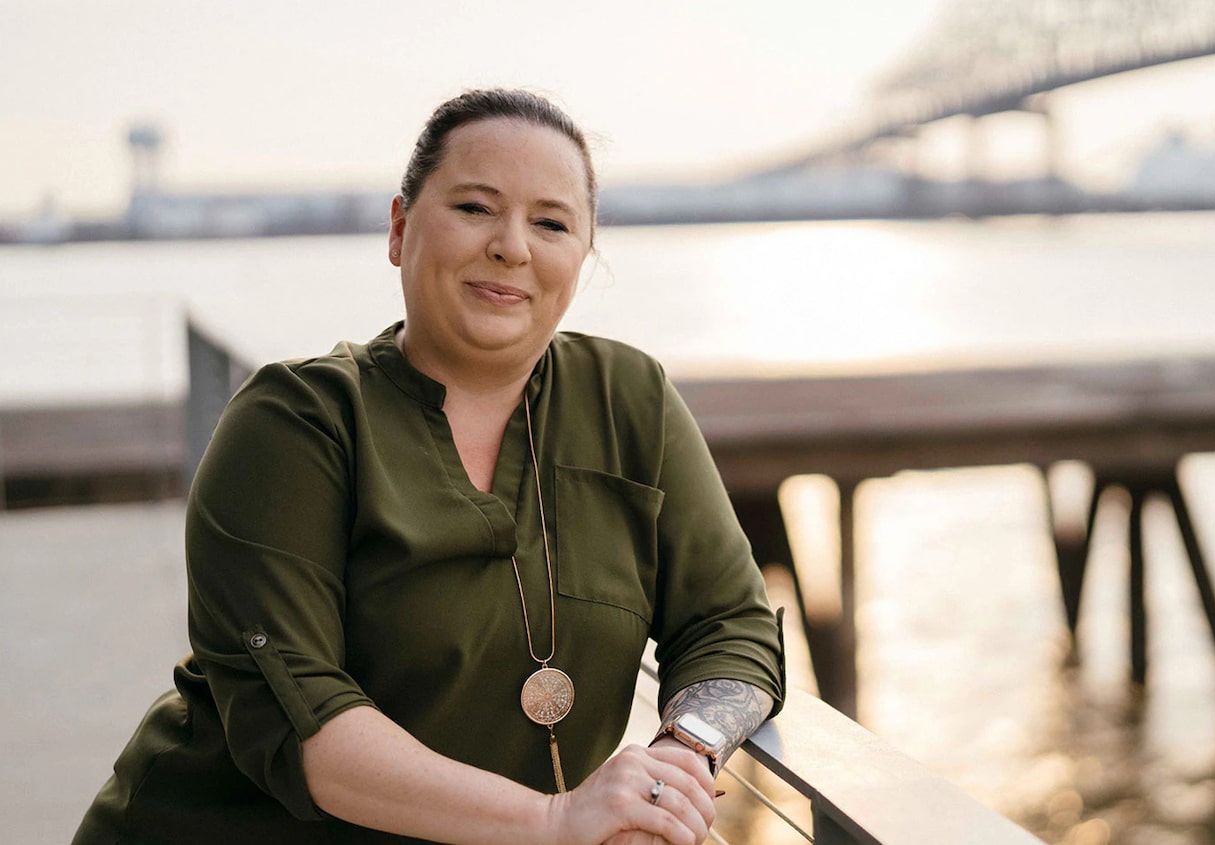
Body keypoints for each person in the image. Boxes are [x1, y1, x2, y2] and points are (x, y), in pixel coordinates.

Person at [73, 88, 784, 845]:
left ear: (583, 256)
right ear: (399, 228)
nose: (513, 245)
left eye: (551, 222)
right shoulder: (294, 424)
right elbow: (312, 725)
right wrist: (556, 818)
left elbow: (730, 622)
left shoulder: (629, 398)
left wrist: (675, 762)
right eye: (476, 208)